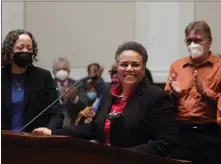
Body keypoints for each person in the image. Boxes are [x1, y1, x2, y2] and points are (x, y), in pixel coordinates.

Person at [33, 41, 178, 157]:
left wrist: (126, 155)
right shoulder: (109, 92)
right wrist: (54, 133)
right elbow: (93, 128)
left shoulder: (156, 96)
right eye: (123, 64)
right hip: (107, 163)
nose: (128, 69)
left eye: (135, 64)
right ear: (117, 68)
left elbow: (167, 141)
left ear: (143, 67)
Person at [165, 20, 221, 164]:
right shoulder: (177, 66)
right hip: (181, 133)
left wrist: (205, 93)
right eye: (189, 41)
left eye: (197, 40)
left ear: (209, 42)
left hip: (211, 133)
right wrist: (175, 95)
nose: (192, 45)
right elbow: (165, 104)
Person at [1, 29, 63, 132]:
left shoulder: (43, 77)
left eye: (29, 48)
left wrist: (49, 130)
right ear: (9, 51)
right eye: (20, 47)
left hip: (34, 140)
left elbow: (56, 113)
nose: (25, 51)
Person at [52, 57, 88, 127]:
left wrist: (74, 98)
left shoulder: (78, 84)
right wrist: (61, 99)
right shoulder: (48, 85)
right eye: (58, 69)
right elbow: (45, 106)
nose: (61, 71)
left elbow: (85, 105)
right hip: (54, 126)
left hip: (74, 126)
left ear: (69, 71)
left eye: (64, 69)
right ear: (53, 72)